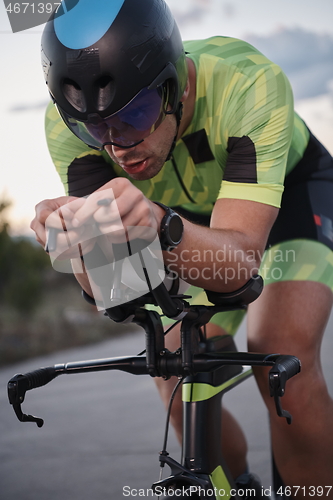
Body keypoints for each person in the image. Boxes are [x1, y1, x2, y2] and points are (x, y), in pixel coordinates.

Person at [32, 0, 333, 492]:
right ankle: (235, 486)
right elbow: (117, 292)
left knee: (284, 356)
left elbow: (238, 269)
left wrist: (156, 226)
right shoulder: (73, 128)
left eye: (135, 115)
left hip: (291, 202)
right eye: (95, 128)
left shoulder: (248, 83)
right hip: (181, 219)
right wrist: (74, 244)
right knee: (173, 365)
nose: (116, 146)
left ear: (176, 84)